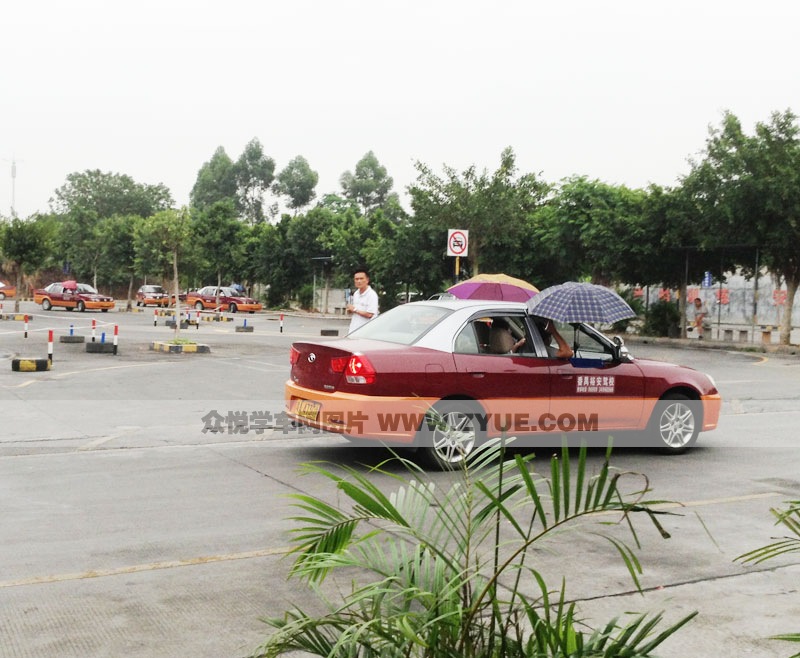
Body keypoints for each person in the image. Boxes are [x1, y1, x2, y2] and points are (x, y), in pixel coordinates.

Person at [346, 268, 379, 334]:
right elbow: (356, 311)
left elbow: (370, 314)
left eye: (361, 278)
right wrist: (350, 310)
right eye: (357, 279)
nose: (359, 281)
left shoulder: (372, 295)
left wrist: (355, 310)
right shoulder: (356, 293)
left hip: (366, 332)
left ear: (367, 280)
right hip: (354, 329)